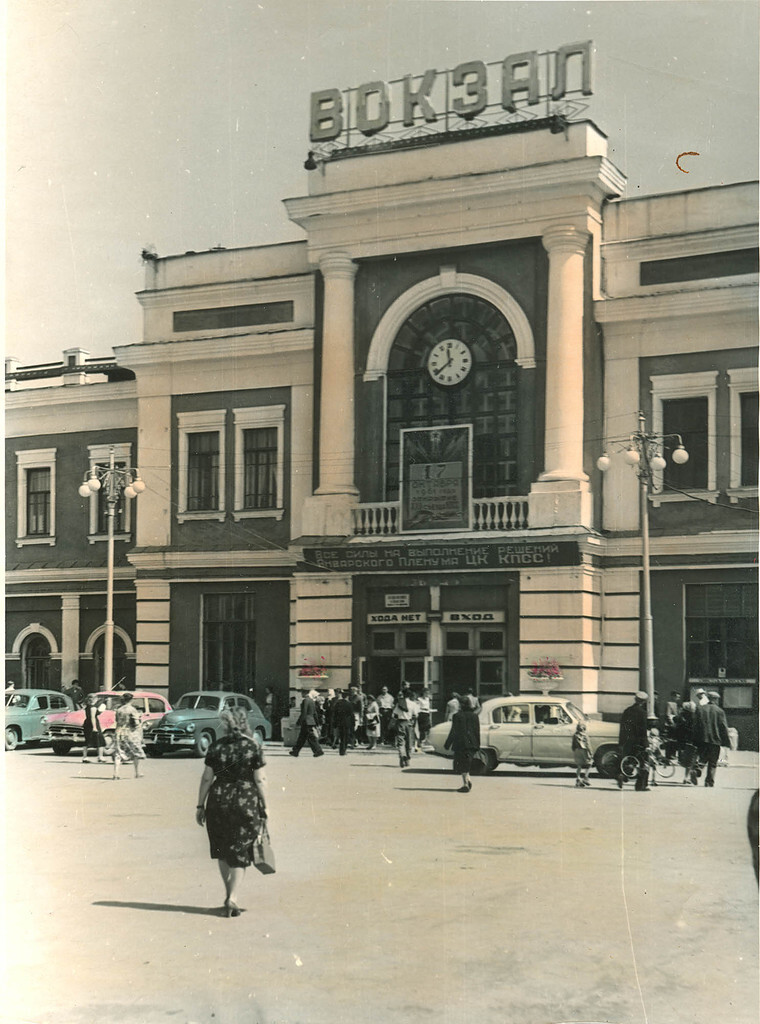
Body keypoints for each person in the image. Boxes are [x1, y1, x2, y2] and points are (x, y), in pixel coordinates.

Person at [195, 708, 268, 917]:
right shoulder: (252, 746)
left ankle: (229, 895)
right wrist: (266, 805)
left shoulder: (216, 746)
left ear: (225, 725)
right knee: (240, 850)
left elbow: (207, 778)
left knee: (222, 850)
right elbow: (260, 779)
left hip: (218, 800)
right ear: (245, 722)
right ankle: (232, 897)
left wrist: (200, 805)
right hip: (245, 801)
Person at [444, 694, 481, 792]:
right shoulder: (474, 716)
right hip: (472, 743)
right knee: (467, 763)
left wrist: (447, 744)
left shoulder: (457, 716)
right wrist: (478, 744)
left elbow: (453, 731)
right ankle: (467, 780)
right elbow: (477, 731)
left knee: (462, 764)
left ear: (461, 705)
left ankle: (465, 784)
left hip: (460, 743)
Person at [695, 691, 731, 788]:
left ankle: (698, 767)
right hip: (715, 739)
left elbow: (696, 725)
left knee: (703, 757)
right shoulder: (719, 711)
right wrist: (726, 741)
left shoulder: (700, 709)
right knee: (713, 762)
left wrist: (695, 739)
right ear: (715, 699)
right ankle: (709, 782)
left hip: (702, 739)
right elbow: (723, 727)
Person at [617, 691, 649, 791]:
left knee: (628, 760)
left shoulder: (627, 711)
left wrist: (621, 742)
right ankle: (640, 785)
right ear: (643, 701)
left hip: (627, 741)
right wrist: (646, 744)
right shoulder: (642, 713)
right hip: (638, 742)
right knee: (643, 762)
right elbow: (643, 730)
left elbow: (622, 728)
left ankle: (621, 775)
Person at [112, 692, 147, 779]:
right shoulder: (132, 710)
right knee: (135, 752)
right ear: (131, 700)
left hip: (119, 732)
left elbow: (117, 721)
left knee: (118, 753)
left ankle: (116, 773)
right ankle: (137, 772)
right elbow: (136, 723)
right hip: (130, 733)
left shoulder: (119, 710)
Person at [288, 688, 324, 758]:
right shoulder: (312, 701)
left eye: (302, 693)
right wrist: (317, 723)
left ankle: (318, 750)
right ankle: (295, 751)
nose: (301, 694)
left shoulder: (305, 701)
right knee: (302, 737)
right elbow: (314, 713)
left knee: (310, 737)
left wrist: (299, 722)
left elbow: (304, 712)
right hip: (311, 721)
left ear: (304, 693)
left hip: (306, 721)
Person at [674, 700, 700, 785]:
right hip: (691, 740)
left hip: (681, 740)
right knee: (692, 759)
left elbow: (675, 722)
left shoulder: (680, 716)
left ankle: (687, 776)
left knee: (686, 759)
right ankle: (687, 776)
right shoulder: (694, 717)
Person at [391, 690, 415, 768]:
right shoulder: (413, 704)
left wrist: (392, 723)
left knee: (401, 741)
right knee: (409, 742)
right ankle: (407, 759)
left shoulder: (399, 704)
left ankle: (402, 755)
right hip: (409, 723)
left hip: (400, 722)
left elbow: (394, 715)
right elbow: (415, 715)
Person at [81, 694, 107, 764]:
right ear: (94, 699)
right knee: (100, 739)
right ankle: (100, 756)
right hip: (93, 723)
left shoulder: (87, 706)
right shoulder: (93, 707)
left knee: (87, 740)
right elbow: (93, 717)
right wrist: (94, 727)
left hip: (87, 723)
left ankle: (85, 757)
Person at [332, 690, 354, 755]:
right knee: (346, 736)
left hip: (339, 722)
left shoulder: (338, 703)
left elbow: (335, 713)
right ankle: (344, 750)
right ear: (347, 697)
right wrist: (353, 723)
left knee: (341, 736)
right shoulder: (349, 704)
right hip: (347, 722)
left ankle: (341, 750)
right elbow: (351, 714)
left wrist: (335, 723)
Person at [572, 721, 593, 787]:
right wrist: (591, 753)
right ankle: (585, 778)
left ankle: (578, 779)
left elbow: (573, 745)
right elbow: (588, 745)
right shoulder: (585, 735)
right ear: (584, 728)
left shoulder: (575, 735)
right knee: (589, 764)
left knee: (579, 766)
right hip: (584, 750)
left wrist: (575, 750)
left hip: (577, 750)